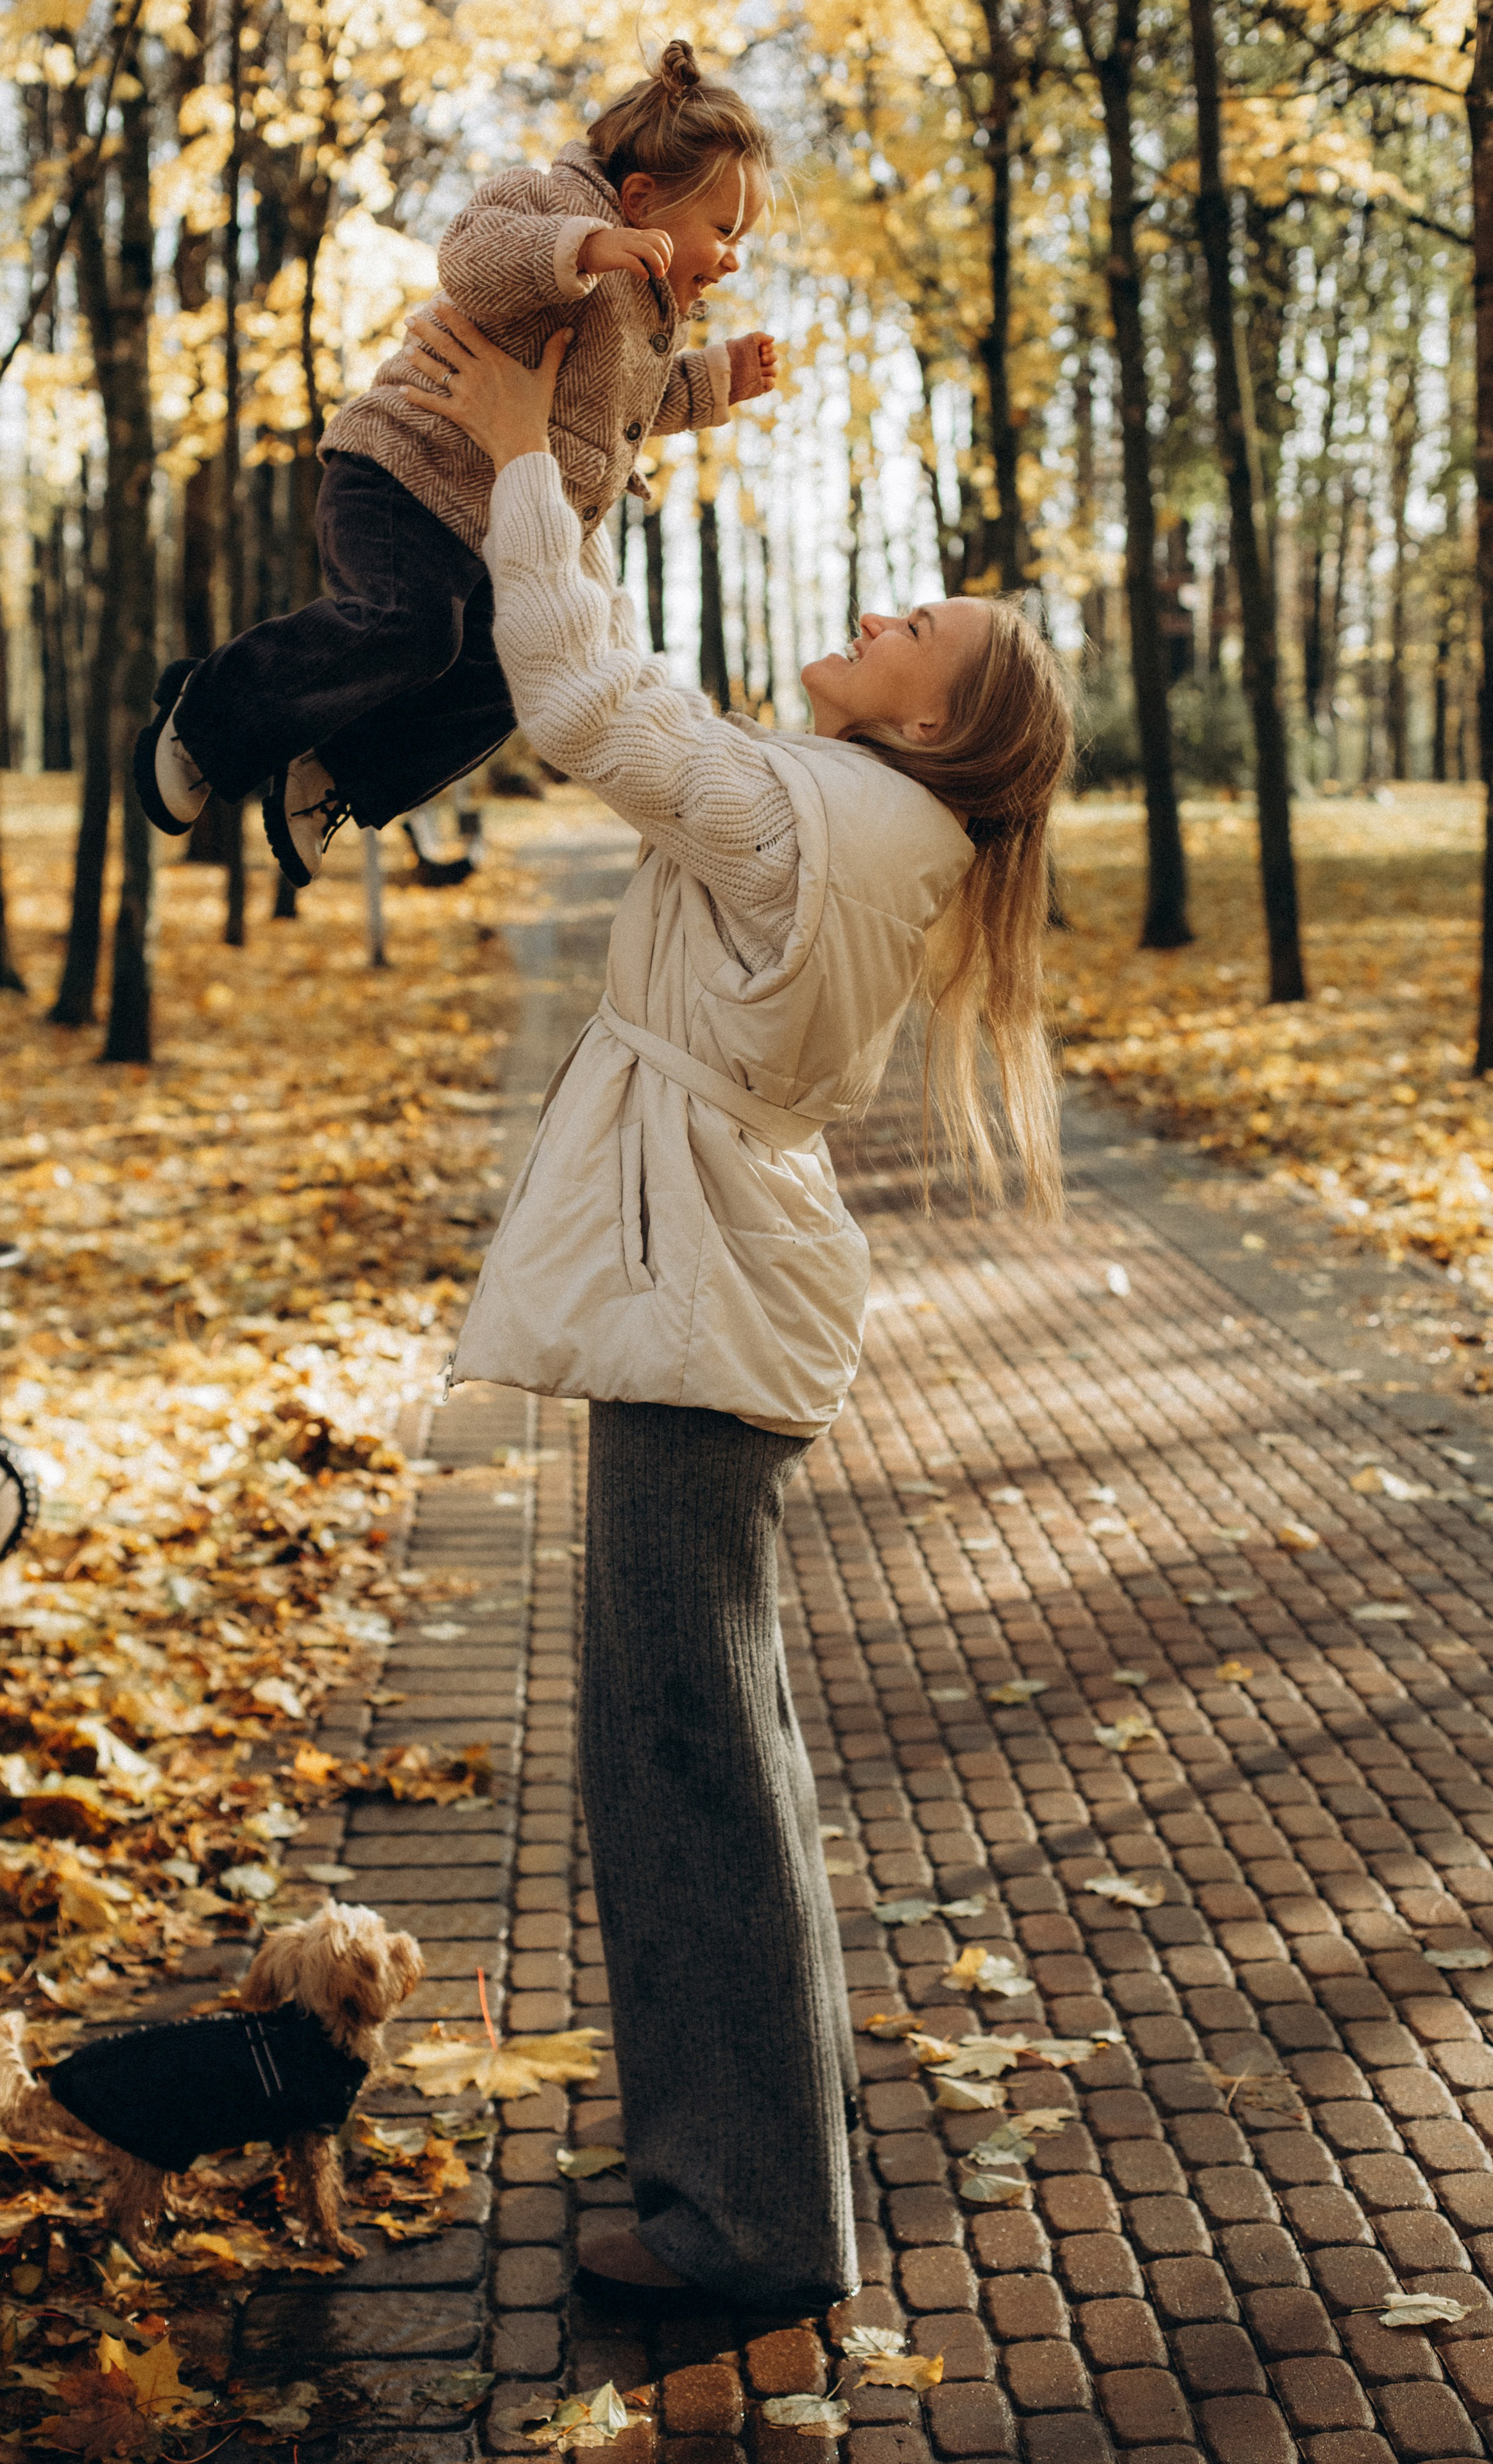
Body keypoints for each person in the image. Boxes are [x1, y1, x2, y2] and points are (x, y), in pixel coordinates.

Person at [405, 305, 1072, 2316]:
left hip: (702, 1291)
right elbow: (645, 707)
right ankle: (736, 2163)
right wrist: (610, 426)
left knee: (681, 1750)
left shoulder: (826, 817)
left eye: (909, 637)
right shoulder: (868, 816)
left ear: (932, 728)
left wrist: (528, 453)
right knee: (708, 1739)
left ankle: (750, 2218)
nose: (872, 620)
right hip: (708, 1281)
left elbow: (592, 703)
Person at [133, 41, 780, 892]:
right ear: (639, 199)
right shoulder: (553, 201)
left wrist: (715, 381)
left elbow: (615, 416)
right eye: (724, 230)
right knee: (408, 625)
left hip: (481, 536)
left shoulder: (657, 317)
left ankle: (337, 772)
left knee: (509, 677)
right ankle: (206, 720)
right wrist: (584, 248)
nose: (733, 257)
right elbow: (472, 259)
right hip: (404, 476)